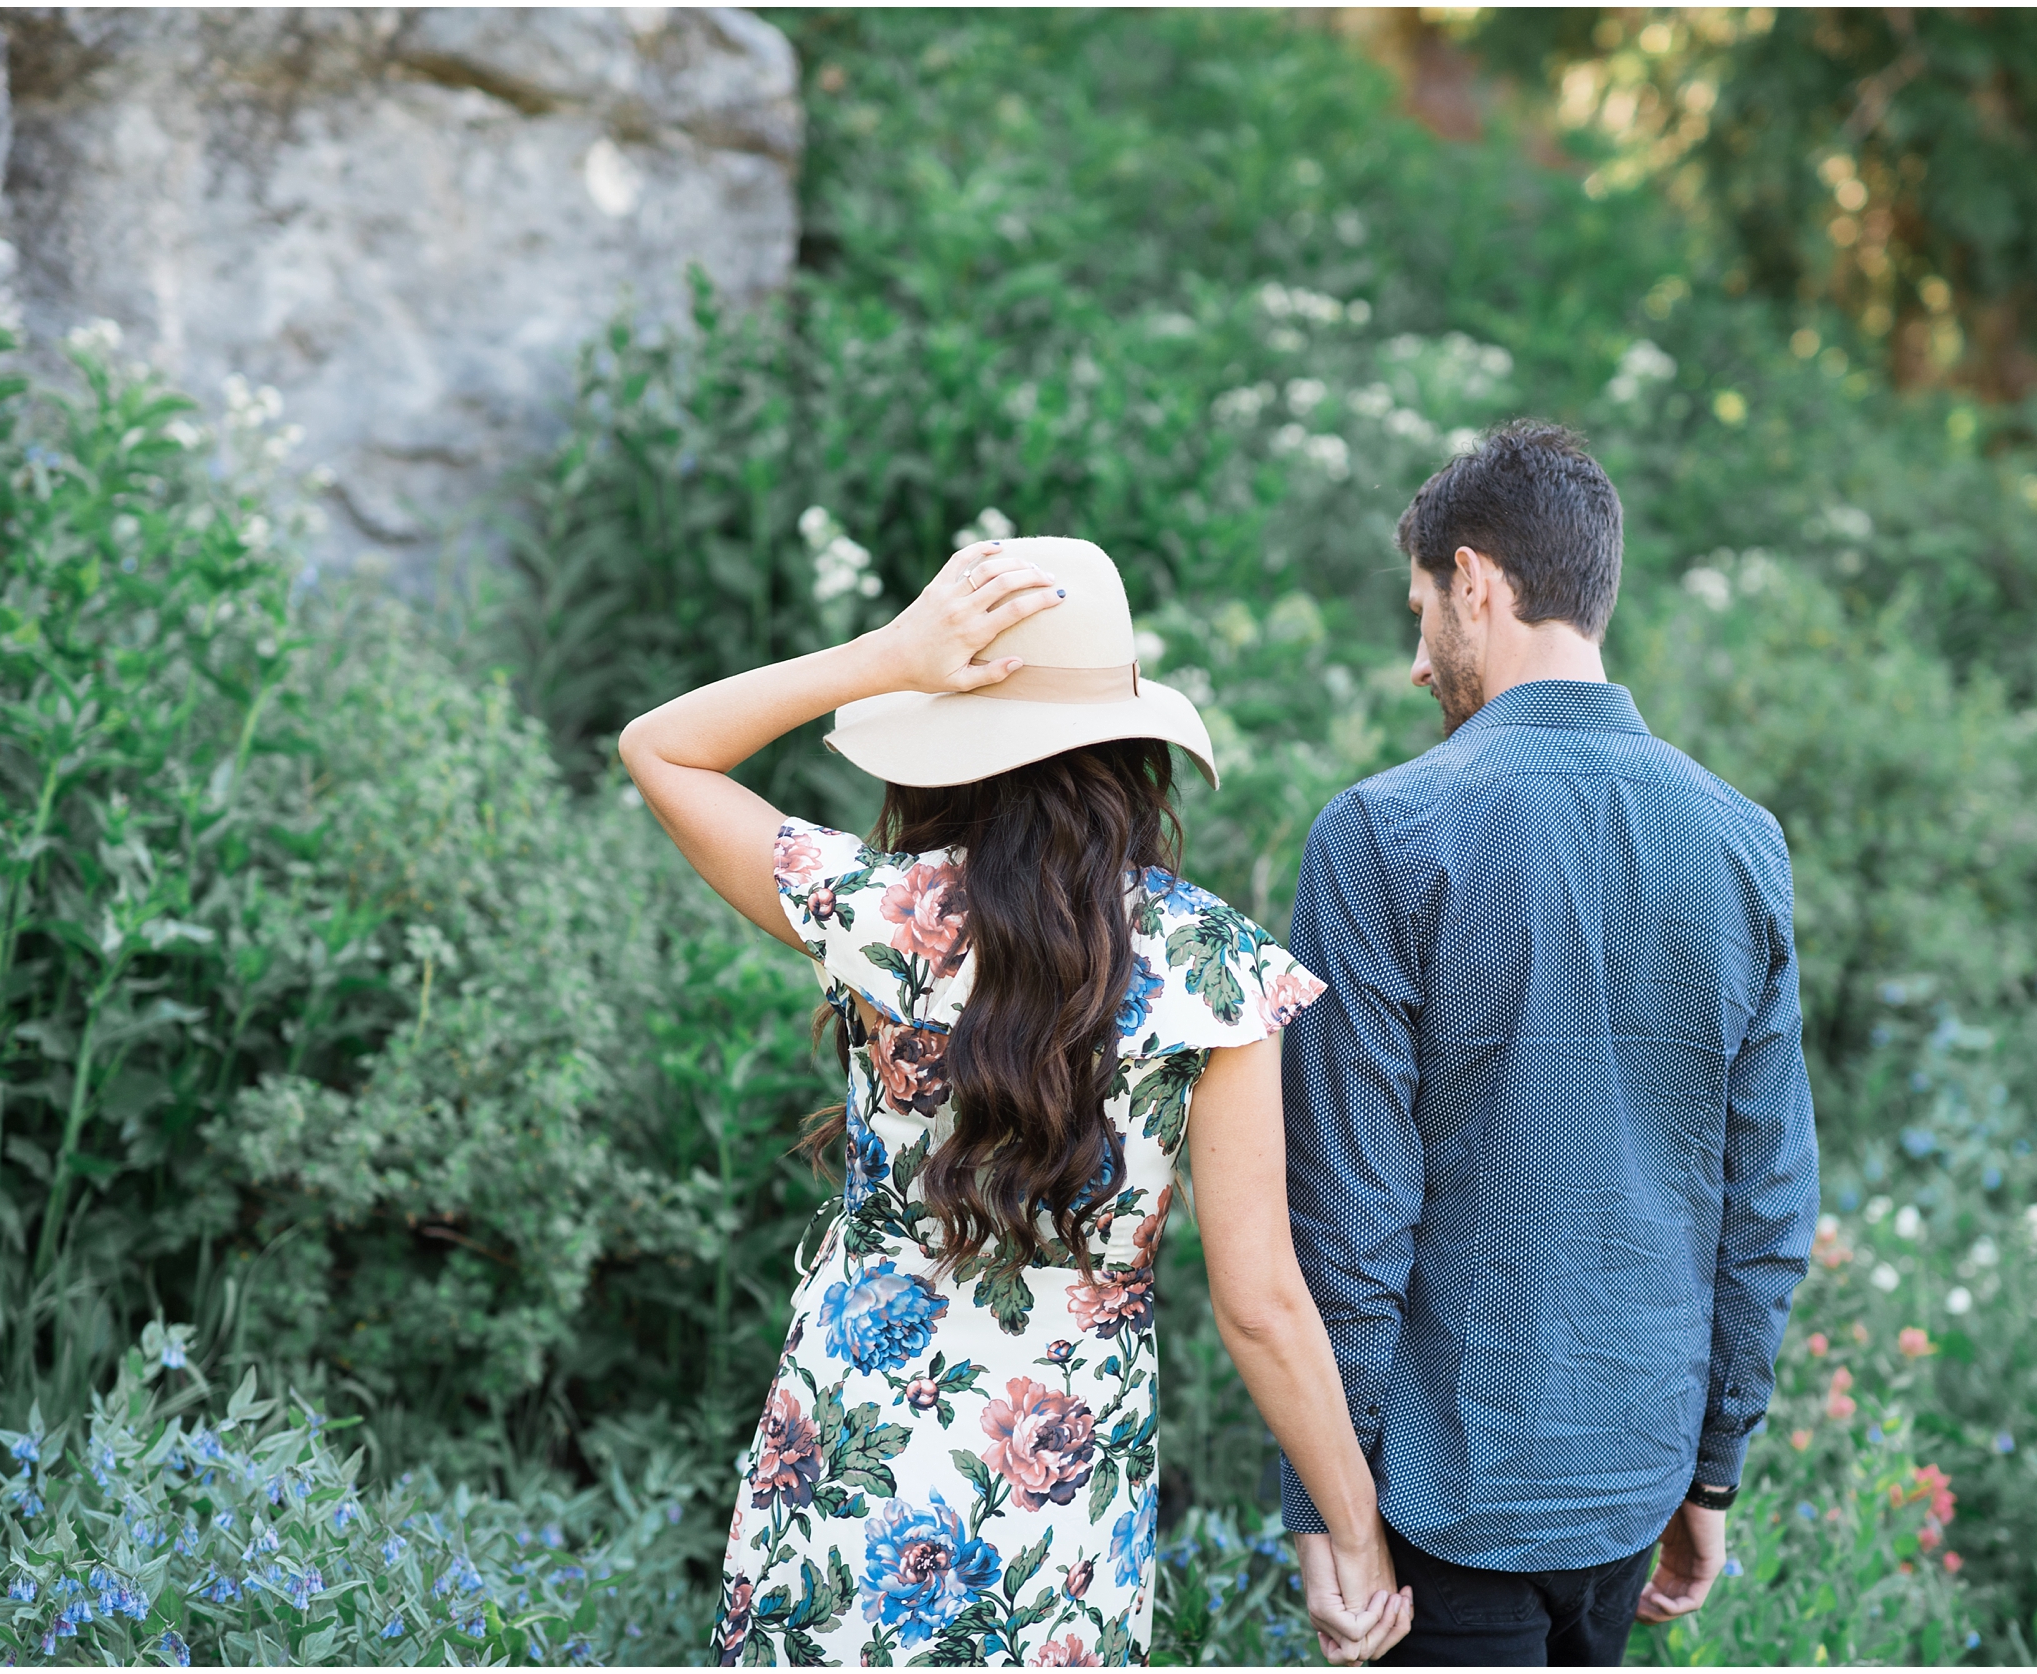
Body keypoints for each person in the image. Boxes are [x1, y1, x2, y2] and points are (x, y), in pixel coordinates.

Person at [620, 536, 1414, 1667]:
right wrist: (1356, 1535)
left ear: (947, 743)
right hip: (1054, 1520)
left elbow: (660, 748)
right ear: (1132, 752)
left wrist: (882, 655)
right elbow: (1261, 1306)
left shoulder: (878, 914)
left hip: (841, 1459)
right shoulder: (1214, 971)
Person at [1277, 423, 1821, 1667]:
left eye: (1419, 609)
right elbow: (1768, 1206)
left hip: (1439, 1505)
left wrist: (1330, 1510)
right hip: (1634, 1480)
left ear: (1474, 582)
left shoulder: (1379, 836)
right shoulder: (1743, 842)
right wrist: (1713, 1473)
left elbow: (1345, 1227)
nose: (1419, 661)